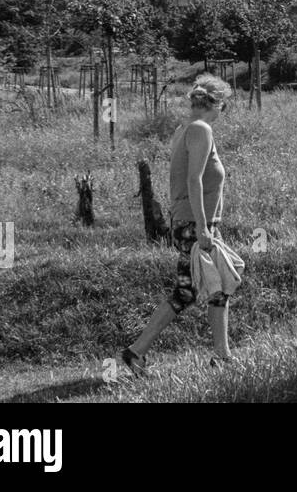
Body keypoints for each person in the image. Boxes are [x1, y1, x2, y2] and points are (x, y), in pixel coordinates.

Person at [117, 74, 234, 376]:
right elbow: (193, 180)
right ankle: (136, 352)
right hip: (196, 224)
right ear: (216, 103)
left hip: (193, 222)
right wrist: (204, 227)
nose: (225, 112)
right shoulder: (200, 129)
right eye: (225, 105)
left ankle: (221, 356)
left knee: (210, 289)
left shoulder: (186, 129)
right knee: (194, 291)